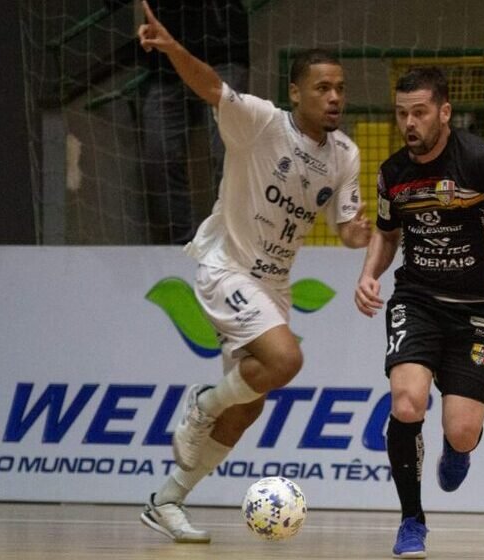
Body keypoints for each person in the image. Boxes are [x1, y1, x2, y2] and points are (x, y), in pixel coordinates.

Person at [135, 0, 371, 543]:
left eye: (340, 88)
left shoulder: (345, 154)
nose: (334, 97)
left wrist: (377, 230)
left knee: (247, 409)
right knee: (285, 359)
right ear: (296, 92)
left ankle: (166, 500)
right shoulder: (260, 122)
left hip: (274, 284)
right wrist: (173, 49)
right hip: (228, 268)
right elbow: (212, 85)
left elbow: (348, 230)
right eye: (322, 88)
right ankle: (200, 404)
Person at [354, 66, 484, 559]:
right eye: (402, 114)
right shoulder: (394, 173)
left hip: (479, 310)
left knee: (461, 430)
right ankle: (411, 522)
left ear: (443, 111)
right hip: (417, 299)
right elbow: (386, 231)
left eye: (419, 112)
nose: (409, 123)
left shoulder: (479, 161)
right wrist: (368, 273)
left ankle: (458, 451)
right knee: (407, 402)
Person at [106, 0, 250, 244]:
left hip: (222, 52)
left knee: (227, 154)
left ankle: (232, 242)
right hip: (165, 62)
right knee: (158, 156)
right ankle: (185, 243)